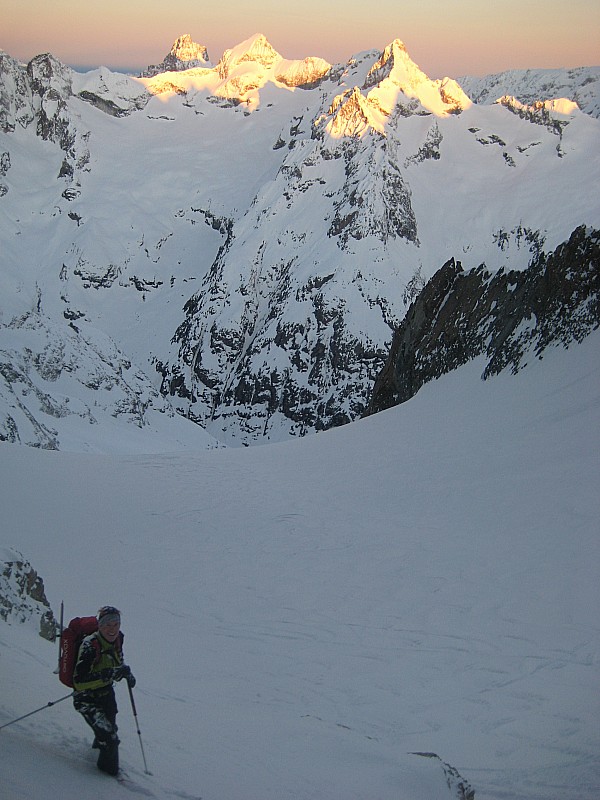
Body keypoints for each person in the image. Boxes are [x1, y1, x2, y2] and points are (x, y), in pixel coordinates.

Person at [72, 605, 136, 776]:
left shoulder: (117, 640)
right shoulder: (90, 645)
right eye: (108, 624)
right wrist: (108, 674)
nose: (112, 629)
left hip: (106, 695)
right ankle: (107, 776)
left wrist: (125, 673)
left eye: (116, 624)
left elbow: (117, 661)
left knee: (109, 731)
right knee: (110, 739)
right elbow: (79, 681)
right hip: (86, 699)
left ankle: (97, 756)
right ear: (99, 625)